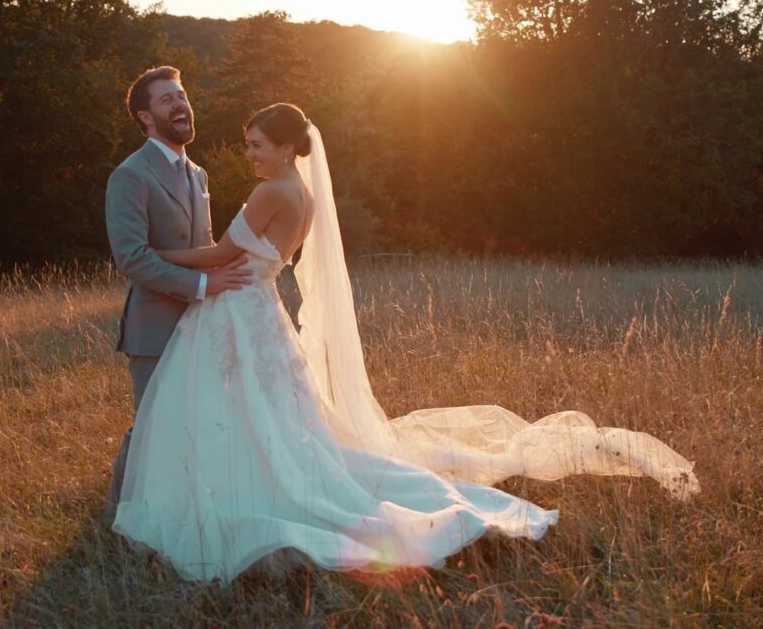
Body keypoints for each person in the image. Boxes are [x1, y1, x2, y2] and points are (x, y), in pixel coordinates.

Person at [111, 102, 700, 584]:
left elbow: (219, 256)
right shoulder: (308, 198)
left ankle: (241, 493)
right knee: (275, 419)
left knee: (249, 415)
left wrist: (145, 257)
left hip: (237, 310)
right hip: (264, 312)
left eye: (257, 145)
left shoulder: (271, 194)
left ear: (287, 147)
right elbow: (267, 260)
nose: (250, 154)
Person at [103, 66, 251, 523]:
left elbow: (200, 246)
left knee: (199, 421)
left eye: (182, 95)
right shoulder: (130, 176)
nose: (181, 105)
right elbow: (132, 257)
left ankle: (183, 509)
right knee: (152, 425)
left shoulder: (199, 174)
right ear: (146, 118)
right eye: (166, 100)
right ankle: (119, 515)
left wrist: (237, 265)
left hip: (202, 322)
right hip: (155, 326)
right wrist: (204, 286)